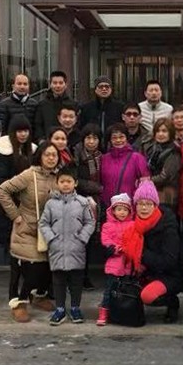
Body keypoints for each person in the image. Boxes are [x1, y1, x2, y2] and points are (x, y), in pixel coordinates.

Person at [0, 142, 60, 322]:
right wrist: (15, 215)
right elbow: (2, 190)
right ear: (40, 156)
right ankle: (19, 303)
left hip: (48, 230)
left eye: (54, 155)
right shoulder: (29, 175)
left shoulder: (57, 176)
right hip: (27, 230)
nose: (51, 158)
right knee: (31, 268)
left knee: (46, 268)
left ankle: (38, 296)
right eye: (47, 154)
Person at [39, 166, 96, 325]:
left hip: (76, 249)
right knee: (58, 282)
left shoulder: (82, 202)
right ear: (57, 183)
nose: (65, 184)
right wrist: (51, 239)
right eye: (62, 181)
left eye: (69, 181)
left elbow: (90, 222)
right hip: (57, 249)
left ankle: (75, 308)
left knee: (76, 282)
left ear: (75, 183)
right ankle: (60, 309)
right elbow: (43, 223)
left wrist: (82, 238)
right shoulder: (50, 204)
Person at [121, 181, 182, 323]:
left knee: (148, 296)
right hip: (143, 273)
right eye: (140, 203)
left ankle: (172, 302)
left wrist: (141, 254)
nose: (144, 208)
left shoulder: (168, 226)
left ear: (155, 205)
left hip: (168, 275)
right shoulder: (133, 225)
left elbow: (169, 261)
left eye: (149, 204)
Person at [0, 114, 37, 254]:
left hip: (28, 206)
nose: (23, 134)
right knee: (12, 246)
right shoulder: (3, 151)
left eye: (26, 131)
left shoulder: (32, 151)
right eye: (19, 131)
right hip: (10, 207)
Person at [73, 124, 104, 291]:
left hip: (97, 203)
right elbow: (75, 179)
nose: (91, 142)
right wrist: (98, 188)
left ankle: (85, 276)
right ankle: (77, 276)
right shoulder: (77, 155)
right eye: (88, 138)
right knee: (79, 240)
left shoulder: (102, 156)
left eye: (95, 138)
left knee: (90, 241)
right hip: (80, 201)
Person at [97, 193, 135, 326]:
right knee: (109, 290)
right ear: (113, 211)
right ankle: (104, 312)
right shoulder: (107, 226)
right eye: (119, 209)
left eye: (125, 210)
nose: (122, 212)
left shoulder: (133, 225)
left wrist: (129, 248)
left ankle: (122, 312)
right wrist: (117, 248)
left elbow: (135, 239)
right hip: (114, 263)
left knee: (126, 290)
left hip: (128, 264)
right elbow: (106, 240)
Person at [99, 123, 150, 208]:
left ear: (127, 138)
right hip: (108, 206)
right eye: (114, 138)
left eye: (121, 137)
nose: (118, 140)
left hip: (130, 206)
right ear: (110, 141)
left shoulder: (137, 158)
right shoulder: (104, 159)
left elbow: (145, 184)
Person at [141, 117, 181, 210]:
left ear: (170, 133)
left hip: (167, 196)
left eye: (164, 131)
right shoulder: (152, 148)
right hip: (151, 192)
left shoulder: (174, 151)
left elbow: (165, 176)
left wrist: (147, 180)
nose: (160, 134)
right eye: (158, 131)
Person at [79, 75, 125, 146]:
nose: (104, 89)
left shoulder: (119, 107)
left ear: (111, 89)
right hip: (92, 144)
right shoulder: (87, 108)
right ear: (95, 89)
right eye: (101, 87)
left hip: (114, 143)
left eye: (107, 87)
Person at [34, 70, 76, 141]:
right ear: (50, 84)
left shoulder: (73, 104)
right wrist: (41, 141)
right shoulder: (42, 105)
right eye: (55, 83)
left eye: (61, 83)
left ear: (66, 85)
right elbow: (38, 126)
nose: (58, 86)